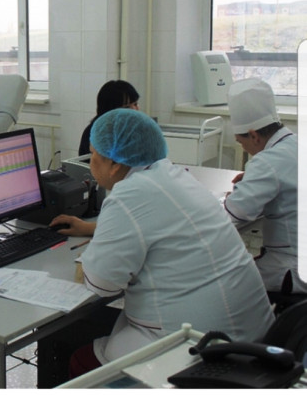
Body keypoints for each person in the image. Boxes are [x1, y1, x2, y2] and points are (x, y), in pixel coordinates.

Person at [49, 108, 274, 379]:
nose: (91, 163)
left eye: (94, 155)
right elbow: (160, 228)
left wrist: (90, 256)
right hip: (254, 338)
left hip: (200, 350)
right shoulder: (175, 176)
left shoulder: (128, 195)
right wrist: (94, 230)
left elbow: (103, 284)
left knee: (80, 359)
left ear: (115, 164)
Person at [223, 78, 304, 296]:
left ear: (254, 136)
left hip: (290, 267)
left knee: (223, 286)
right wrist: (255, 179)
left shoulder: (267, 163)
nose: (245, 149)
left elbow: (231, 215)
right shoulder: (296, 143)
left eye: (242, 143)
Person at [78, 80, 140, 156]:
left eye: (135, 104)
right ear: (110, 110)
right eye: (127, 107)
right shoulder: (97, 134)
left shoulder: (132, 128)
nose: (134, 110)